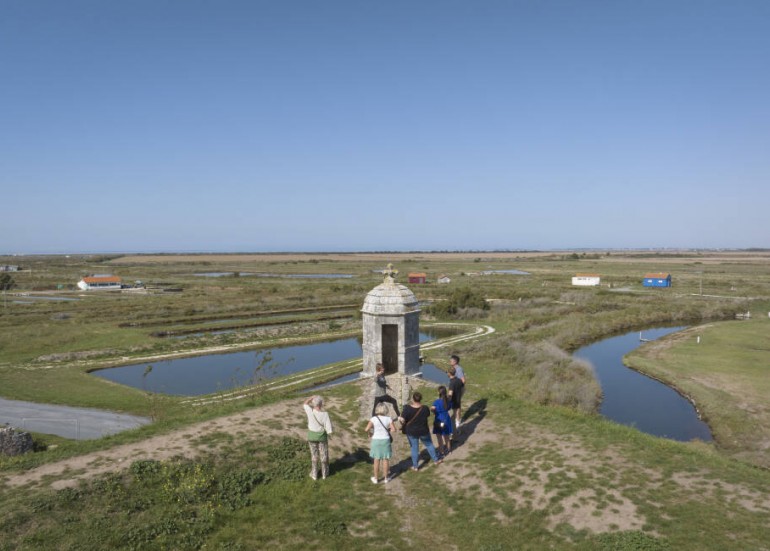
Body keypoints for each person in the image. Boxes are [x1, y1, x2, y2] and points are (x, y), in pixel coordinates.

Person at [399, 391, 442, 471]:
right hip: (423, 431)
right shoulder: (425, 408)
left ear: (413, 399)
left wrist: (400, 419)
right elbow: (428, 415)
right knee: (429, 445)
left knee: (414, 448)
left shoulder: (407, 409)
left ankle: (415, 466)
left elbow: (403, 421)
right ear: (420, 399)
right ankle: (436, 460)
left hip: (412, 432)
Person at [303, 395, 333, 480]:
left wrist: (311, 397)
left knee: (314, 456)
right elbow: (329, 429)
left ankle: (314, 474)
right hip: (322, 437)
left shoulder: (310, 411)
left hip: (312, 437)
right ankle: (325, 474)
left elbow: (305, 404)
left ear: (313, 404)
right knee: (324, 456)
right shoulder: (325, 414)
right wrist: (329, 432)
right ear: (321, 404)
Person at [365, 402, 395, 484]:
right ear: (385, 410)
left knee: (376, 460)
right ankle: (386, 478)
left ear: (377, 409)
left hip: (376, 440)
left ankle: (376, 478)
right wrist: (388, 430)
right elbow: (393, 429)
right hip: (385, 440)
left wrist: (370, 434)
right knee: (385, 459)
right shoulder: (389, 419)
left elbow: (366, 429)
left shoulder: (373, 419)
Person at [431, 385, 453, 457]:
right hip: (446, 418)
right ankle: (449, 450)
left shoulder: (436, 402)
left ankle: (441, 452)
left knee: (439, 437)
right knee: (447, 436)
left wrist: (433, 411)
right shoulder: (448, 400)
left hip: (439, 419)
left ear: (439, 393)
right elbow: (449, 408)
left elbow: (432, 409)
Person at [449, 354, 466, 426]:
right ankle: (456, 418)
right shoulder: (454, 368)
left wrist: (457, 388)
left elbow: (463, 380)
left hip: (458, 389)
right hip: (456, 388)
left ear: (455, 361)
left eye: (451, 360)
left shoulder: (458, 369)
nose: (450, 361)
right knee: (456, 404)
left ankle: (457, 421)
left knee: (457, 405)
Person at [447, 367, 464, 434]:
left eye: (447, 372)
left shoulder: (452, 383)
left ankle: (452, 431)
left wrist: (447, 401)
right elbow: (462, 388)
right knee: (457, 415)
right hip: (458, 400)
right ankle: (458, 429)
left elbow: (450, 394)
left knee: (452, 416)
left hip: (453, 402)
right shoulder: (459, 380)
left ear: (449, 373)